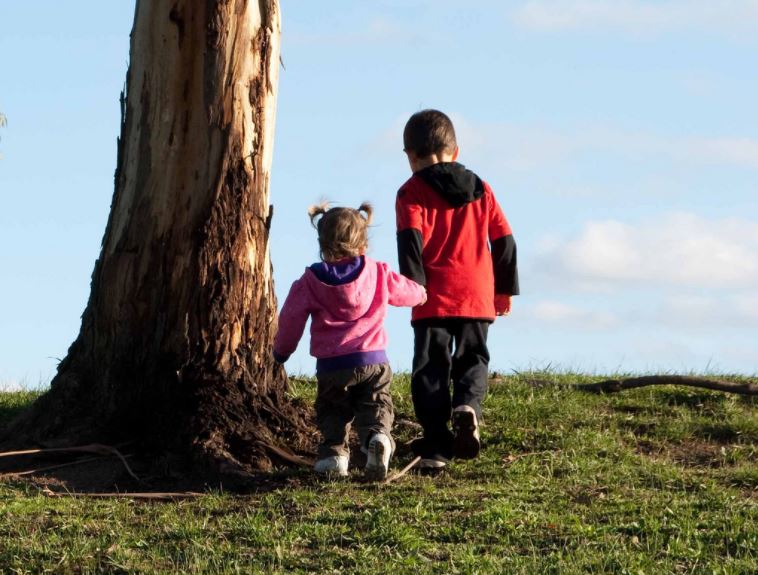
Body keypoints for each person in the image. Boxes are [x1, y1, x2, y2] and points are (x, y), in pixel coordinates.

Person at [395, 109, 519, 469]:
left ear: (410, 156)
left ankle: (436, 448)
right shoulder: (481, 187)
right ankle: (468, 407)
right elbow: (505, 241)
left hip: (432, 297)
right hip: (477, 295)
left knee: (430, 370)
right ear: (456, 150)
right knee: (473, 359)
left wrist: (414, 288)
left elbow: (410, 242)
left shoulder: (410, 192)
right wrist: (503, 290)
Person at [273, 202, 426, 479]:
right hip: (372, 359)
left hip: (332, 365)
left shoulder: (309, 281)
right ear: (363, 241)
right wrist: (422, 293)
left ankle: (333, 456)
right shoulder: (378, 272)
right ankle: (377, 439)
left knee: (332, 410)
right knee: (376, 404)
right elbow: (407, 292)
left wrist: (282, 352)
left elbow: (291, 318)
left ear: (322, 243)